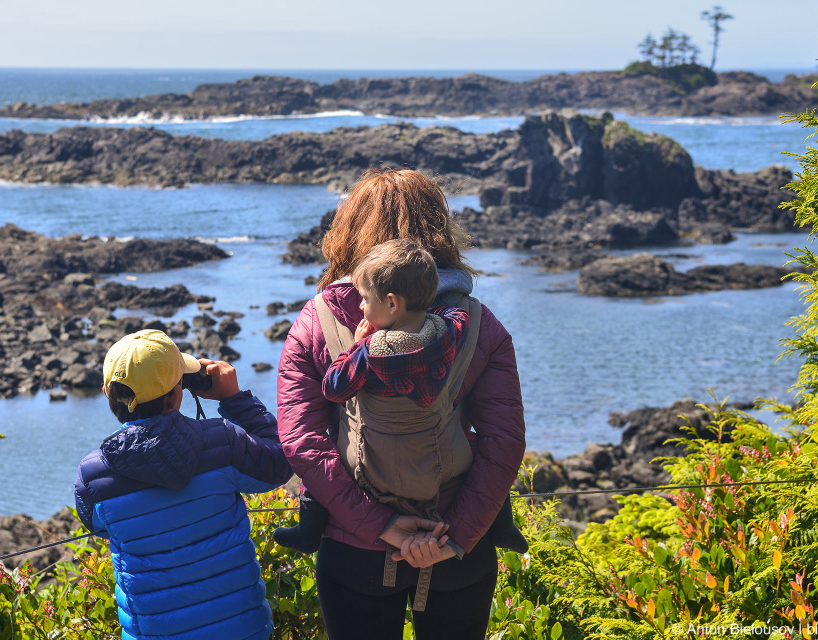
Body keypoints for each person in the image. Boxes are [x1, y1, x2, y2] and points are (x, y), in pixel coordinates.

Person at [277, 168, 526, 640]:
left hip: (356, 548)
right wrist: (453, 536)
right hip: (455, 547)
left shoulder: (318, 321)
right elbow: (504, 441)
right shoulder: (477, 323)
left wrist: (383, 527)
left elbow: (301, 440)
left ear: (351, 230)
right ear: (439, 228)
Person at [273, 238, 527, 557]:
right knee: (483, 449)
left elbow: (328, 396)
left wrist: (357, 345)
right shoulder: (452, 329)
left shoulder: (369, 352)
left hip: (354, 541)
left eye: (364, 298)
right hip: (447, 518)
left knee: (324, 447)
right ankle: (503, 526)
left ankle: (307, 532)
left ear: (391, 304)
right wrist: (459, 538)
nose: (360, 305)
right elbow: (504, 439)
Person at [74, 329, 292, 640]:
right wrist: (235, 399)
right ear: (178, 394)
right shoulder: (223, 442)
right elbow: (280, 462)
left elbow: (97, 527)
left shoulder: (93, 478)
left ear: (111, 397)